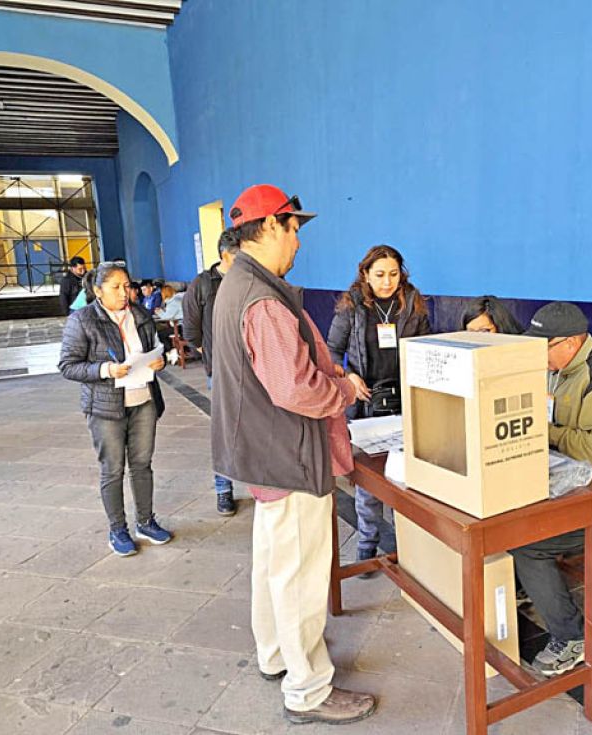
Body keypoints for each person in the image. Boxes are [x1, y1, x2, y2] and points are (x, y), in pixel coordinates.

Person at [212, 184, 376, 725]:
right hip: (290, 454)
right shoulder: (263, 299)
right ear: (269, 228)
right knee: (301, 576)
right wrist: (345, 391)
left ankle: (276, 655)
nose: (299, 241)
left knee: (275, 566)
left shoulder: (239, 285)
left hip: (265, 452)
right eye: (294, 228)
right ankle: (309, 690)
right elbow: (295, 388)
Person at [510, 302, 592, 676]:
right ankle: (529, 587)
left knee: (526, 542)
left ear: (571, 342)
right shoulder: (560, 368)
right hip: (567, 483)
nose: (537, 355)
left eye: (543, 346)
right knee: (504, 513)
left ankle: (571, 638)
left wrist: (546, 433)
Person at [58, 262, 173, 557]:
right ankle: (117, 529)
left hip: (143, 400)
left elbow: (157, 345)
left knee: (142, 464)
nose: (124, 293)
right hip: (105, 407)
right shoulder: (82, 320)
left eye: (127, 286)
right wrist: (106, 369)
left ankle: (146, 522)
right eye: (116, 288)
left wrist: (161, 360)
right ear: (98, 291)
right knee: (112, 469)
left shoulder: (140, 314)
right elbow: (68, 366)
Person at [326, 245, 430, 568]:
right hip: (367, 403)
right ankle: (367, 544)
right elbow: (331, 353)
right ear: (366, 275)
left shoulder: (412, 303)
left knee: (405, 480)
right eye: (380, 275)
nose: (387, 282)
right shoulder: (353, 306)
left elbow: (426, 348)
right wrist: (350, 377)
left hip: (405, 403)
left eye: (394, 274)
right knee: (369, 485)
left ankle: (408, 549)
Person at [183, 228, 239, 515]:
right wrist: (212, 354)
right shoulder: (203, 284)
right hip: (219, 370)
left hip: (252, 368)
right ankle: (223, 489)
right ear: (225, 255)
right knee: (223, 430)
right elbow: (191, 331)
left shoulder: (250, 280)